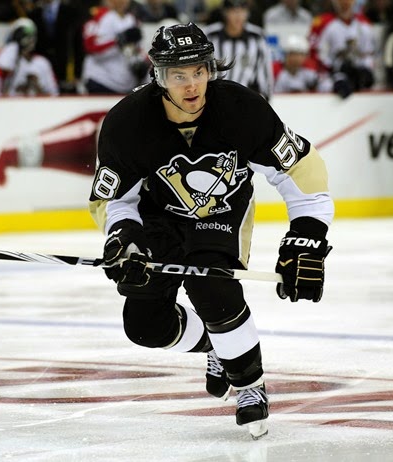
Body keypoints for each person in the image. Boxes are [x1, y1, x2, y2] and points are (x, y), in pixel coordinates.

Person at [88, 22, 334, 439]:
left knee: (214, 289)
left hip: (222, 215)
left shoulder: (242, 110)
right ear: (157, 75)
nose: (191, 85)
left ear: (210, 69)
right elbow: (115, 200)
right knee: (145, 326)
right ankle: (214, 346)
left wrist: (307, 238)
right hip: (158, 221)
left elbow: (301, 174)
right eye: (178, 75)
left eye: (199, 71)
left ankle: (249, 386)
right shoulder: (127, 123)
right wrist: (124, 240)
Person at [203, 0, 274, 100]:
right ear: (225, 13)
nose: (238, 15)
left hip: (246, 99)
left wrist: (264, 99)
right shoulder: (210, 35)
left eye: (242, 11)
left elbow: (265, 73)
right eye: (233, 11)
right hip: (215, 98)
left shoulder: (257, 37)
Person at [309, 0, 377, 98]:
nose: (345, 3)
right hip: (331, 76)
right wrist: (334, 74)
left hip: (358, 75)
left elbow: (369, 53)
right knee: (329, 87)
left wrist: (365, 70)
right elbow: (316, 56)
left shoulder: (364, 24)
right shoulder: (321, 24)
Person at [81, 0, 150, 94]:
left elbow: (136, 49)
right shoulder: (99, 16)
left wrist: (140, 63)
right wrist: (118, 41)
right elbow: (90, 48)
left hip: (126, 85)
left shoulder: (132, 19)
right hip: (101, 81)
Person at [28, 0, 85, 93]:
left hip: (65, 69)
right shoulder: (34, 13)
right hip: (42, 70)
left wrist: (77, 74)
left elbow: (78, 45)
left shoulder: (71, 11)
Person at [0, 17, 59, 96]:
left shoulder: (42, 62)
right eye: (24, 36)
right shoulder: (7, 57)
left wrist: (36, 85)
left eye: (31, 36)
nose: (29, 40)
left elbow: (54, 94)